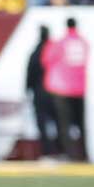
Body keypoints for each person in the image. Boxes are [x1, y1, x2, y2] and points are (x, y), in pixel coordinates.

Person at [42, 18, 89, 161]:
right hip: (80, 89)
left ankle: (70, 154)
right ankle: (83, 154)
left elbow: (46, 60)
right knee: (81, 124)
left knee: (64, 124)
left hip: (62, 89)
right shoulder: (83, 43)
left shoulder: (60, 43)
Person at [26, 26, 58, 158]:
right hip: (55, 91)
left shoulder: (37, 51)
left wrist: (27, 88)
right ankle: (59, 149)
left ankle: (47, 150)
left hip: (40, 92)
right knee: (58, 122)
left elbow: (30, 72)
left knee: (42, 122)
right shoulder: (54, 50)